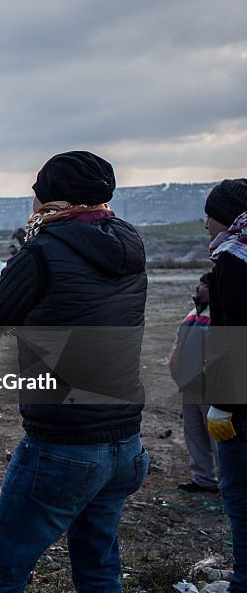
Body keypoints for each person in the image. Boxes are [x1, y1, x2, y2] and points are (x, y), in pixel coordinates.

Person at [0, 151, 149, 593]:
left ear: (51, 200)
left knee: (3, 573)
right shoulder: (130, 243)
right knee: (98, 570)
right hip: (125, 444)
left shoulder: (44, 251)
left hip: (63, 447)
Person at [203, 178, 247, 593]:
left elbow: (235, 334)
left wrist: (223, 402)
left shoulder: (234, 261)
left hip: (242, 406)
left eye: (210, 215)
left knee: (239, 494)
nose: (206, 224)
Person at [168, 273, 218, 493]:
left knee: (217, 438)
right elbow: (178, 345)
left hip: (212, 389)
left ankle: (231, 486)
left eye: (204, 284)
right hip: (189, 388)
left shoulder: (221, 315)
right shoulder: (192, 314)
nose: (199, 287)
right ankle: (203, 480)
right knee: (194, 436)